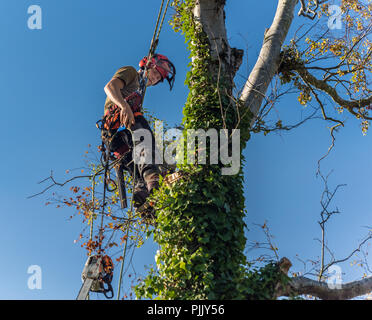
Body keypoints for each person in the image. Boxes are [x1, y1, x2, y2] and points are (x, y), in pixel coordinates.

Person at [102, 54, 176, 210]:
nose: (155, 79)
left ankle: (143, 197)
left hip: (120, 138)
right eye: (156, 73)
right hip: (115, 121)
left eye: (159, 79)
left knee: (134, 166)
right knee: (145, 136)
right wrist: (124, 106)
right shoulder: (130, 73)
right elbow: (109, 87)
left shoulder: (141, 90)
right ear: (147, 65)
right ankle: (153, 178)